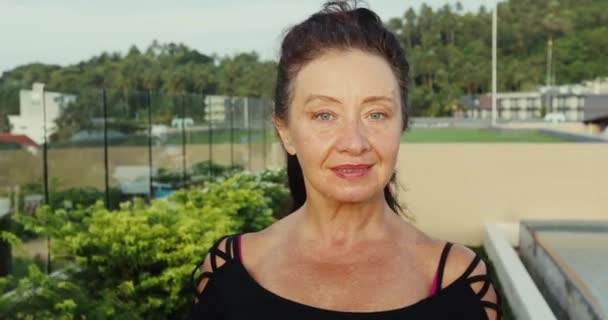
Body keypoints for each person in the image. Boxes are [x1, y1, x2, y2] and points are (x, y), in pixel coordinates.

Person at [191, 1, 502, 319]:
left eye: (376, 114)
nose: (354, 143)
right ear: (285, 131)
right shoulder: (231, 271)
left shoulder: (458, 281)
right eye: (324, 115)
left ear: (402, 124)